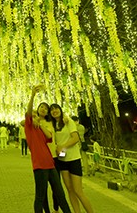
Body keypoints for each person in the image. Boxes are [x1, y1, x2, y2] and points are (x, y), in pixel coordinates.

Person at [25, 85, 71, 213]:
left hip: (51, 163)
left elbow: (50, 136)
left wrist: (40, 123)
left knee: (60, 194)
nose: (44, 109)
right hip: (39, 166)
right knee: (40, 196)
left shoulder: (43, 126)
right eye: (41, 107)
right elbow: (28, 113)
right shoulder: (29, 126)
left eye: (46, 108)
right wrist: (33, 95)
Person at [50, 104, 94, 213]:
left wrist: (63, 146)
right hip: (62, 159)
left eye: (56, 108)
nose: (54, 111)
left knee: (78, 191)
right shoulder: (53, 125)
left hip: (74, 158)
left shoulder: (68, 121)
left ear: (60, 109)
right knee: (70, 190)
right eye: (52, 110)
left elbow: (76, 138)